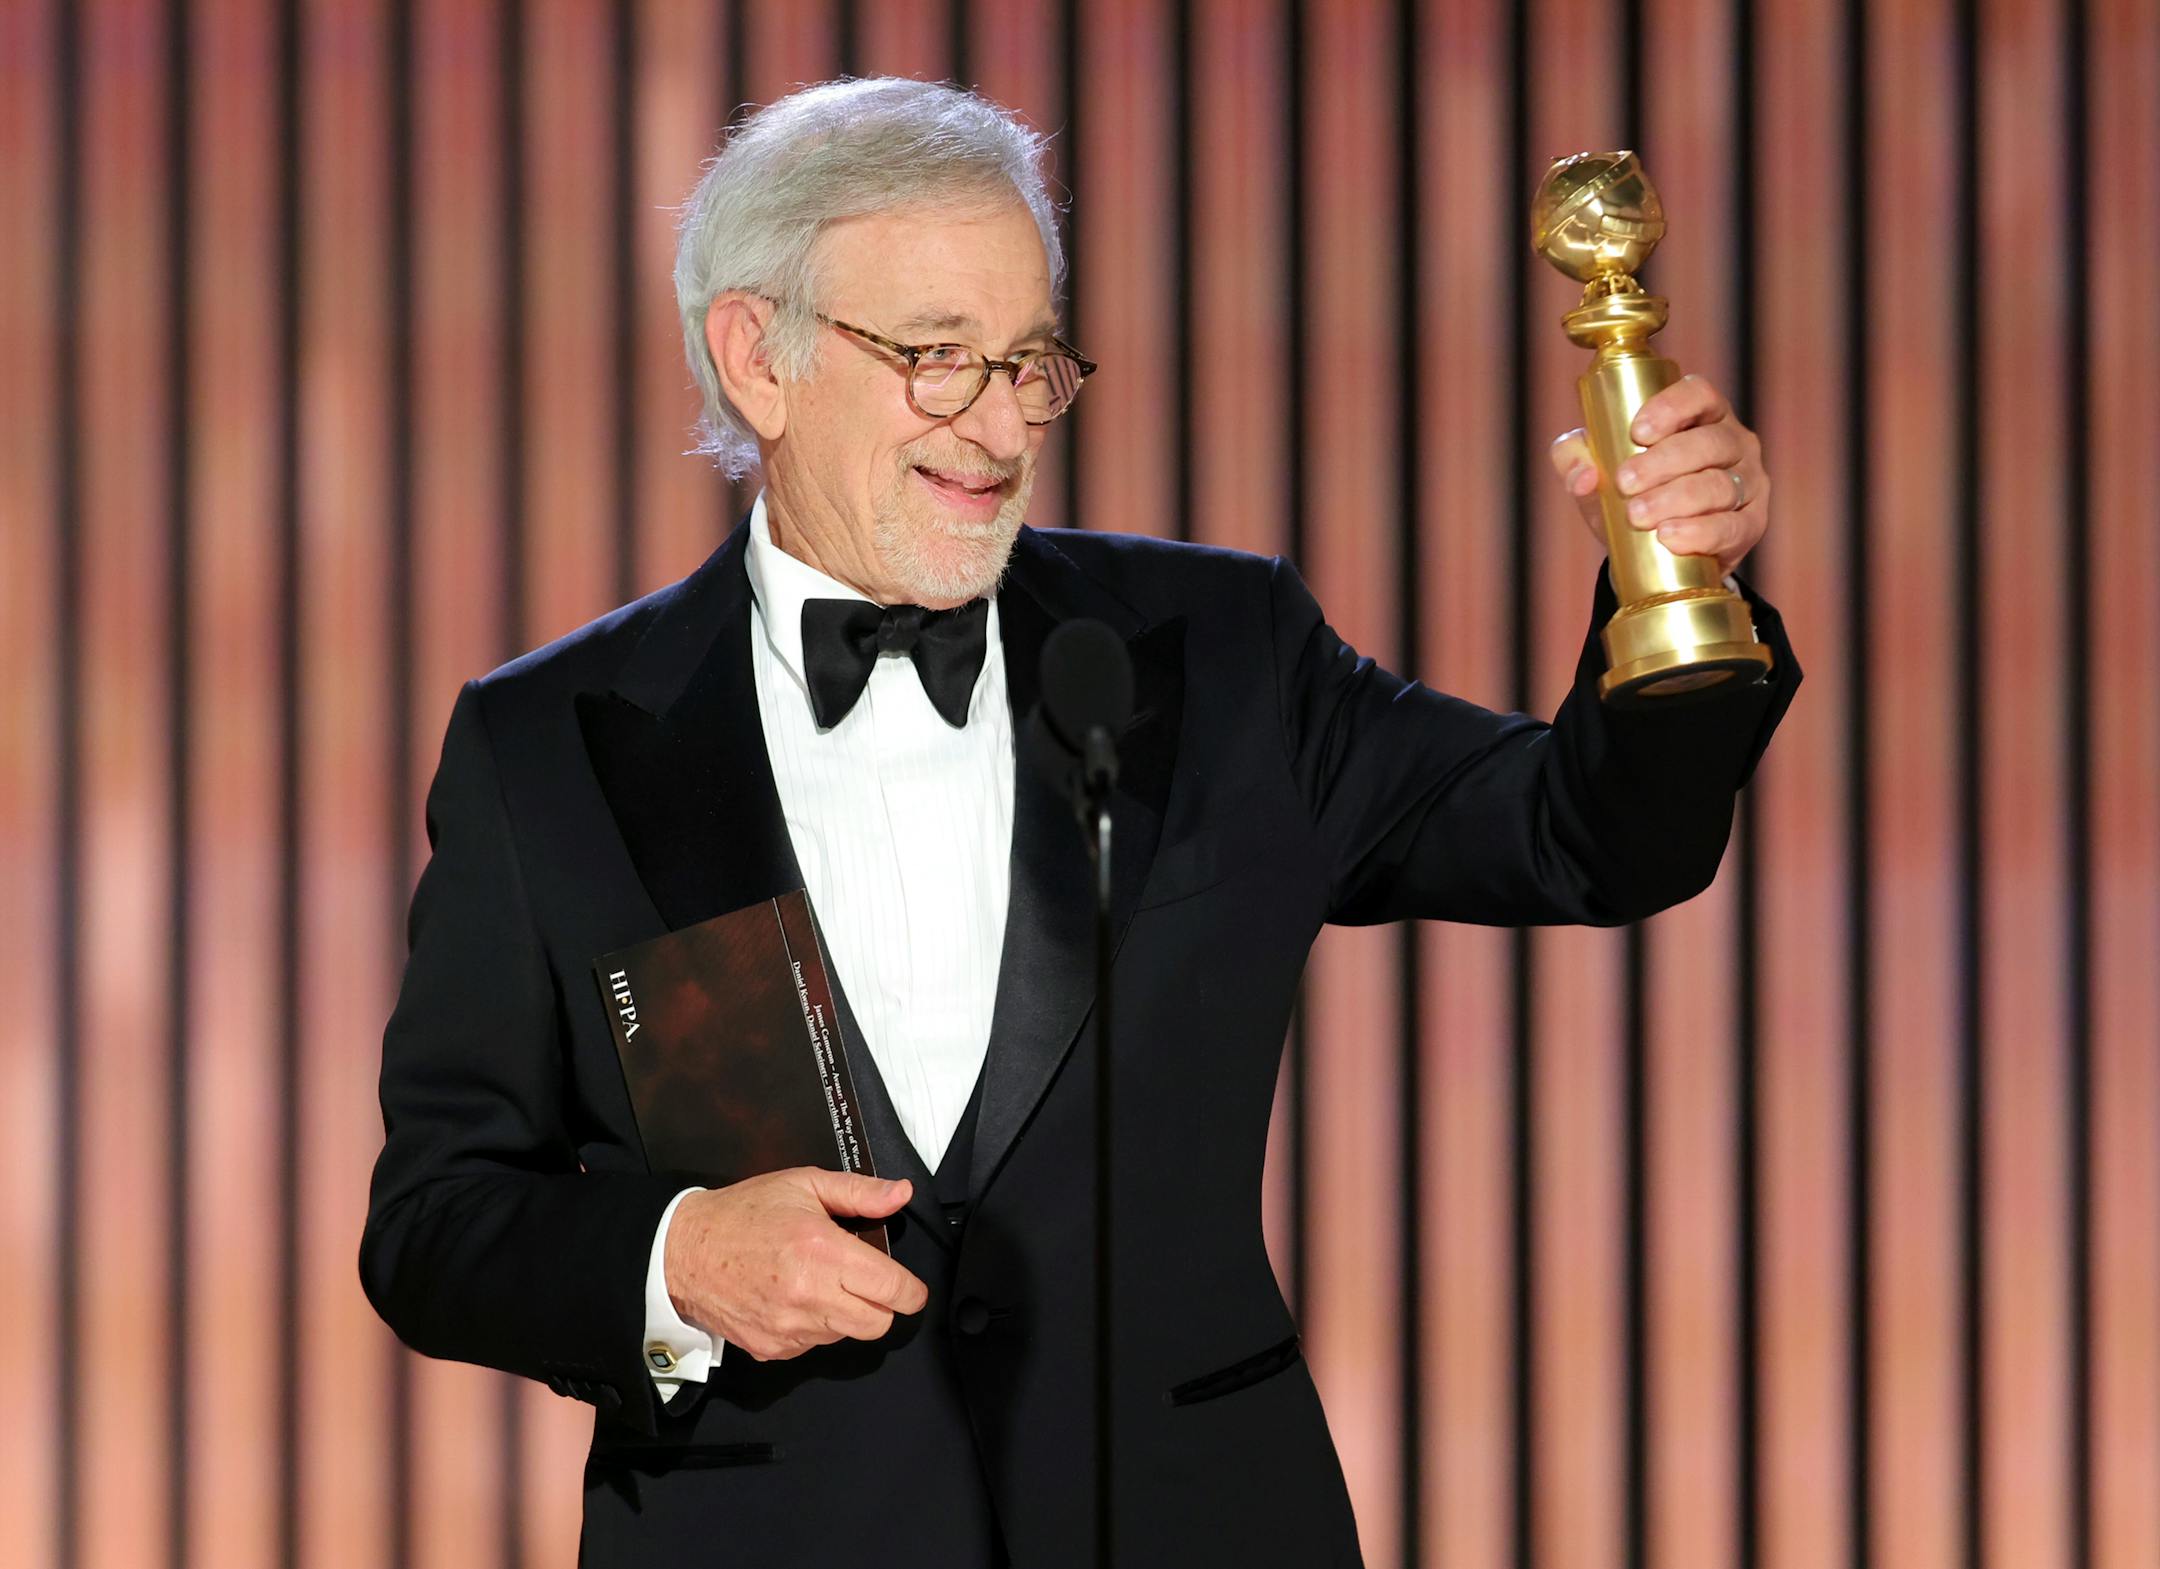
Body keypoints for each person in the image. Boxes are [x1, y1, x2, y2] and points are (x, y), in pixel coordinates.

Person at [359, 77, 1799, 1569]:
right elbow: (435, 1223)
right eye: (936, 358)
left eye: (1030, 360)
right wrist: (676, 1260)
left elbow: (1588, 835)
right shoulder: (550, 748)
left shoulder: (1222, 653)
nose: (998, 425)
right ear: (757, 358)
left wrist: (1675, 600)